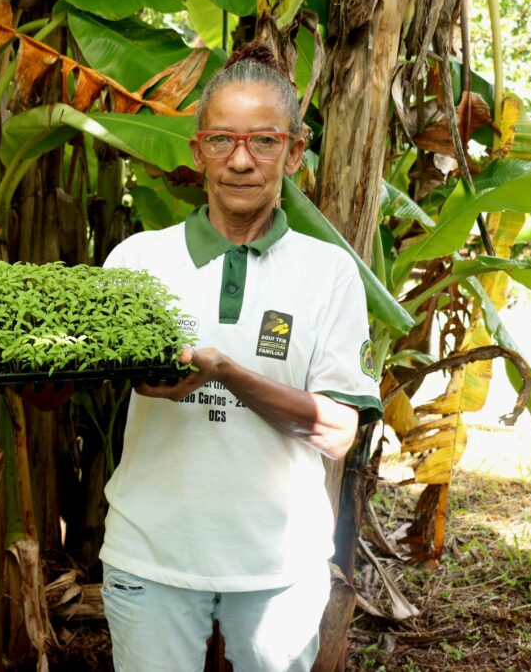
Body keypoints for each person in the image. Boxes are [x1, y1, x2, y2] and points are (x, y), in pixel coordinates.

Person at [99, 42, 383, 672]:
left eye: (264, 141)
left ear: (295, 152)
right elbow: (58, 392)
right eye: (222, 140)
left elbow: (338, 433)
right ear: (198, 149)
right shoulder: (137, 260)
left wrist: (226, 372)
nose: (241, 160)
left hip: (279, 568)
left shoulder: (329, 273)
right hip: (150, 555)